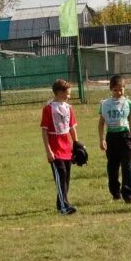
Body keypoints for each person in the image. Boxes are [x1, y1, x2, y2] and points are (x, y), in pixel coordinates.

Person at [41, 79, 79, 215]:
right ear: (59, 92)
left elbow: (72, 128)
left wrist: (76, 145)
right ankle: (64, 207)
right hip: (55, 148)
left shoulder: (69, 108)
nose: (69, 96)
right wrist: (48, 151)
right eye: (67, 93)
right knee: (61, 175)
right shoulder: (48, 108)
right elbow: (44, 131)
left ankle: (62, 203)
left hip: (67, 147)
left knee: (66, 177)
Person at [98, 75, 131, 203]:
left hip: (125, 136)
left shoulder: (128, 103)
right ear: (111, 89)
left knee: (126, 166)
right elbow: (101, 123)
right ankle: (115, 192)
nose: (118, 92)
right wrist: (101, 139)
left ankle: (128, 195)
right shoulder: (105, 104)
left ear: (124, 88)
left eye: (121, 89)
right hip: (111, 137)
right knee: (113, 166)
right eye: (115, 90)